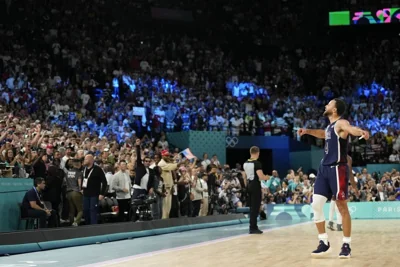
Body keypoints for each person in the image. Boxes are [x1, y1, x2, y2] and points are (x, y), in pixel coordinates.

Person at [298, 98, 369, 258]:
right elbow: (323, 134)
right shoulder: (330, 127)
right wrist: (308, 131)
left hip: (338, 169)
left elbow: (351, 129)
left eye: (328, 103)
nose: (325, 105)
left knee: (341, 207)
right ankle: (323, 242)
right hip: (324, 169)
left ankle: (346, 244)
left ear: (335, 109)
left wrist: (361, 132)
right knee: (316, 204)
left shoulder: (341, 123)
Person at [243, 146, 270, 234]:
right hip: (255, 185)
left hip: (249, 185)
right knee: (255, 207)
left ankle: (252, 227)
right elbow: (261, 177)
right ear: (258, 153)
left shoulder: (245, 163)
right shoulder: (257, 163)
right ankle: (253, 228)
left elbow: (245, 176)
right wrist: (267, 177)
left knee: (252, 207)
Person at [328, 155, 356, 231]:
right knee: (339, 204)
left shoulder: (335, 156)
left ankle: (331, 222)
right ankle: (339, 225)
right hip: (340, 181)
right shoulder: (347, 159)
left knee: (334, 200)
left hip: (334, 180)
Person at [82, 154, 108, 225]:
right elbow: (83, 179)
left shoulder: (98, 169)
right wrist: (82, 188)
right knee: (85, 210)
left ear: (91, 160)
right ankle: (87, 226)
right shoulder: (84, 169)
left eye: (86, 159)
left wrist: (102, 193)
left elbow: (105, 182)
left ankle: (94, 227)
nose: (84, 161)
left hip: (94, 194)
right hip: (85, 194)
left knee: (93, 211)